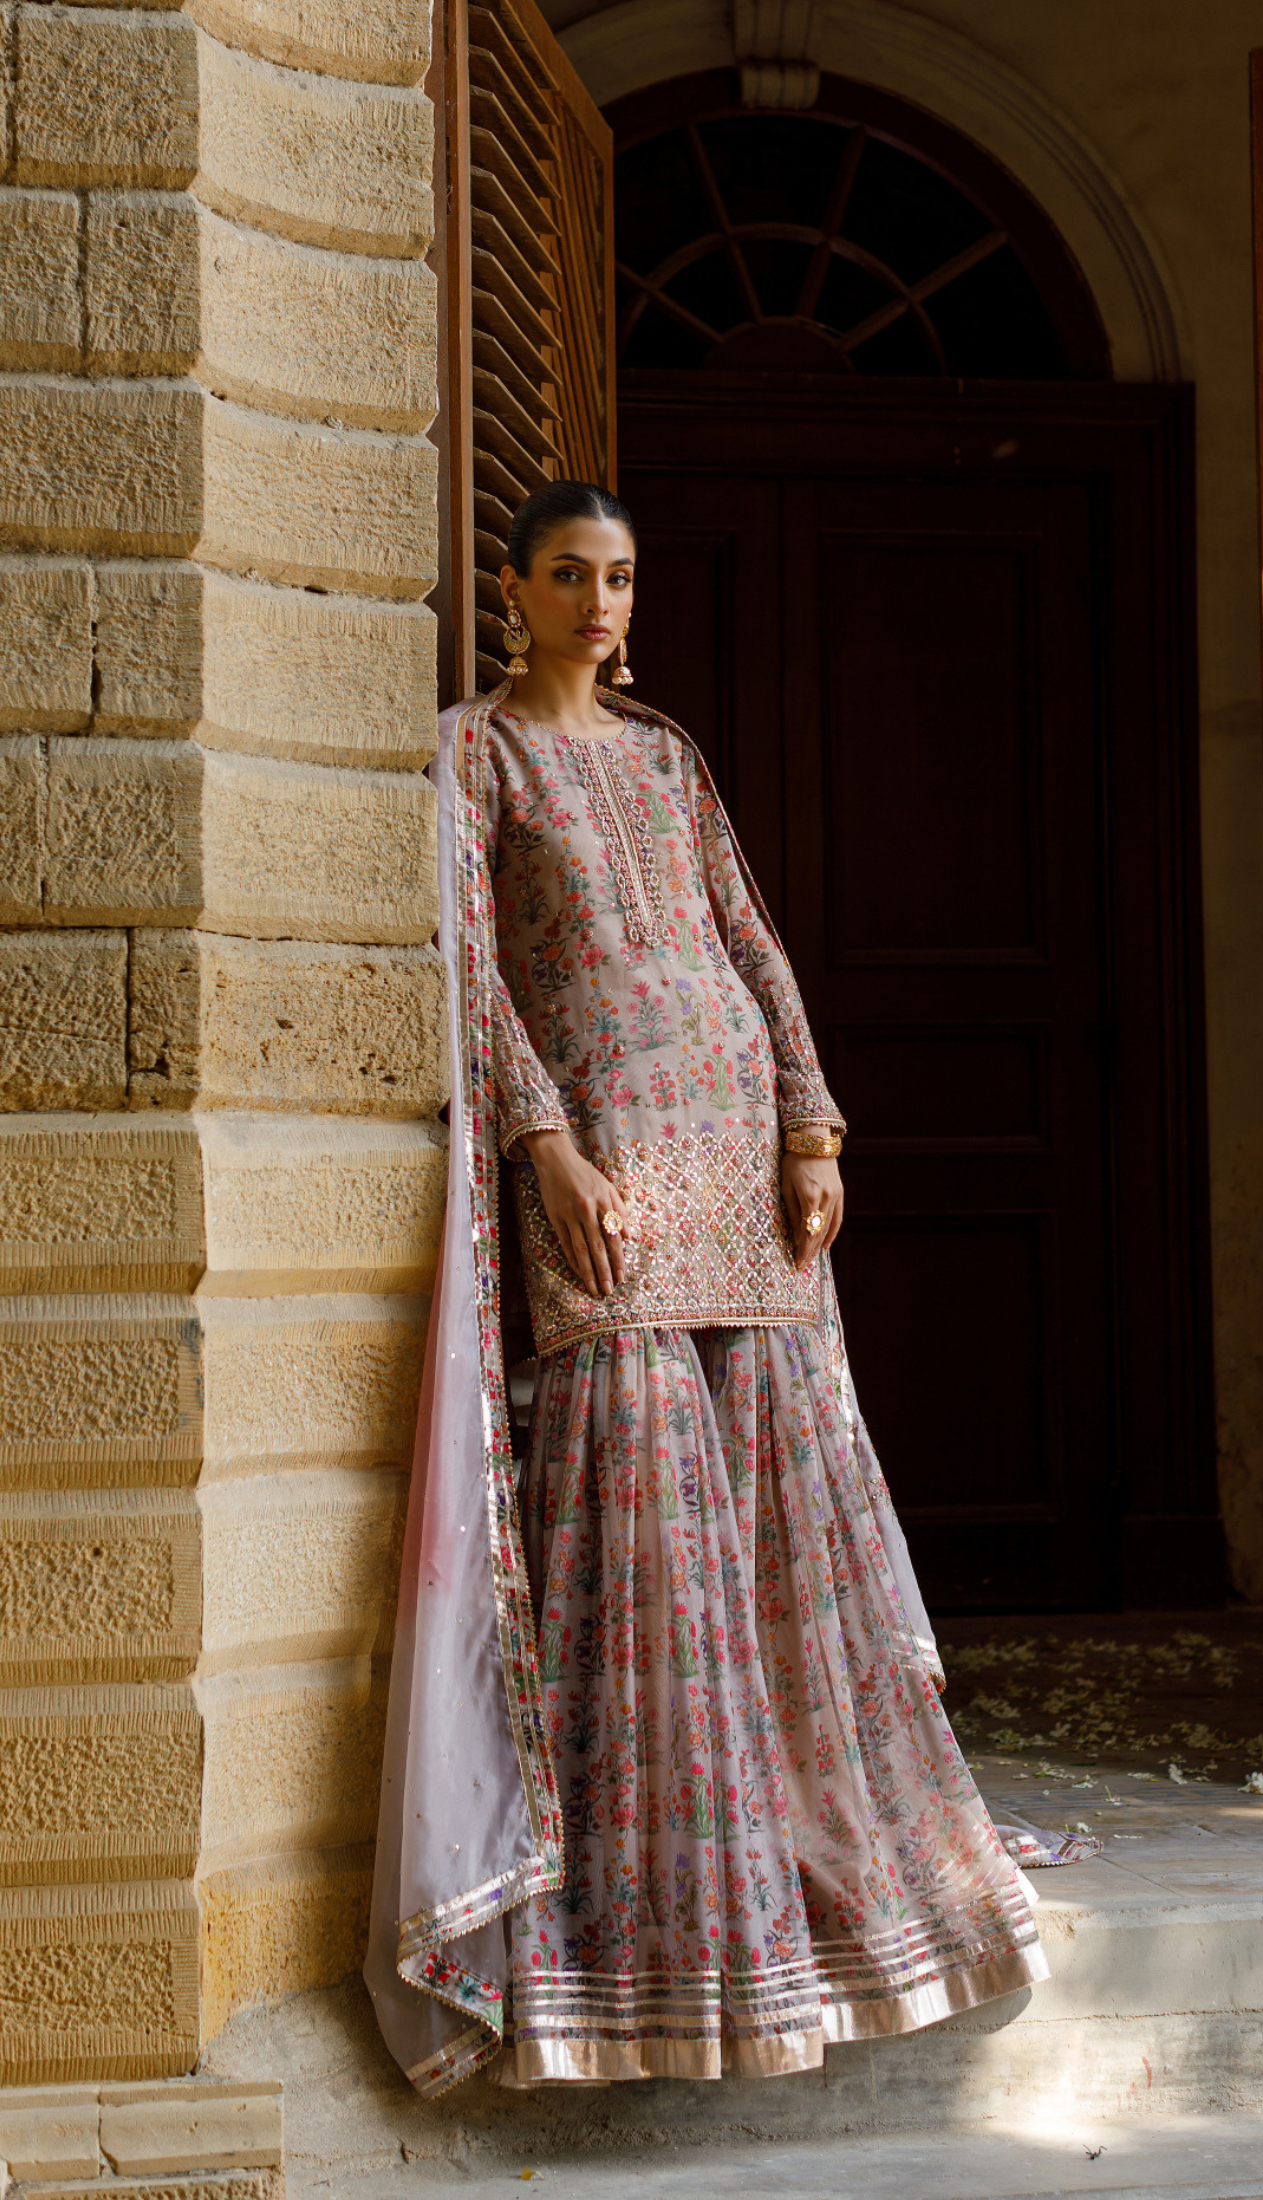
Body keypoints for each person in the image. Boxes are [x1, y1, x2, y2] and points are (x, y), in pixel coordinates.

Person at [365, 481, 1097, 2096]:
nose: (599, 604)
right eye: (570, 576)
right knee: (640, 1514)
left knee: (773, 1510)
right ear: (515, 589)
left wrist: (815, 1130)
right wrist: (547, 1148)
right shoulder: (474, 752)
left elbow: (748, 945)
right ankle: (657, 1927)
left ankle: (801, 1876)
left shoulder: (669, 753)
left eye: (619, 578)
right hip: (611, 1150)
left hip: (735, 1152)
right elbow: (469, 964)